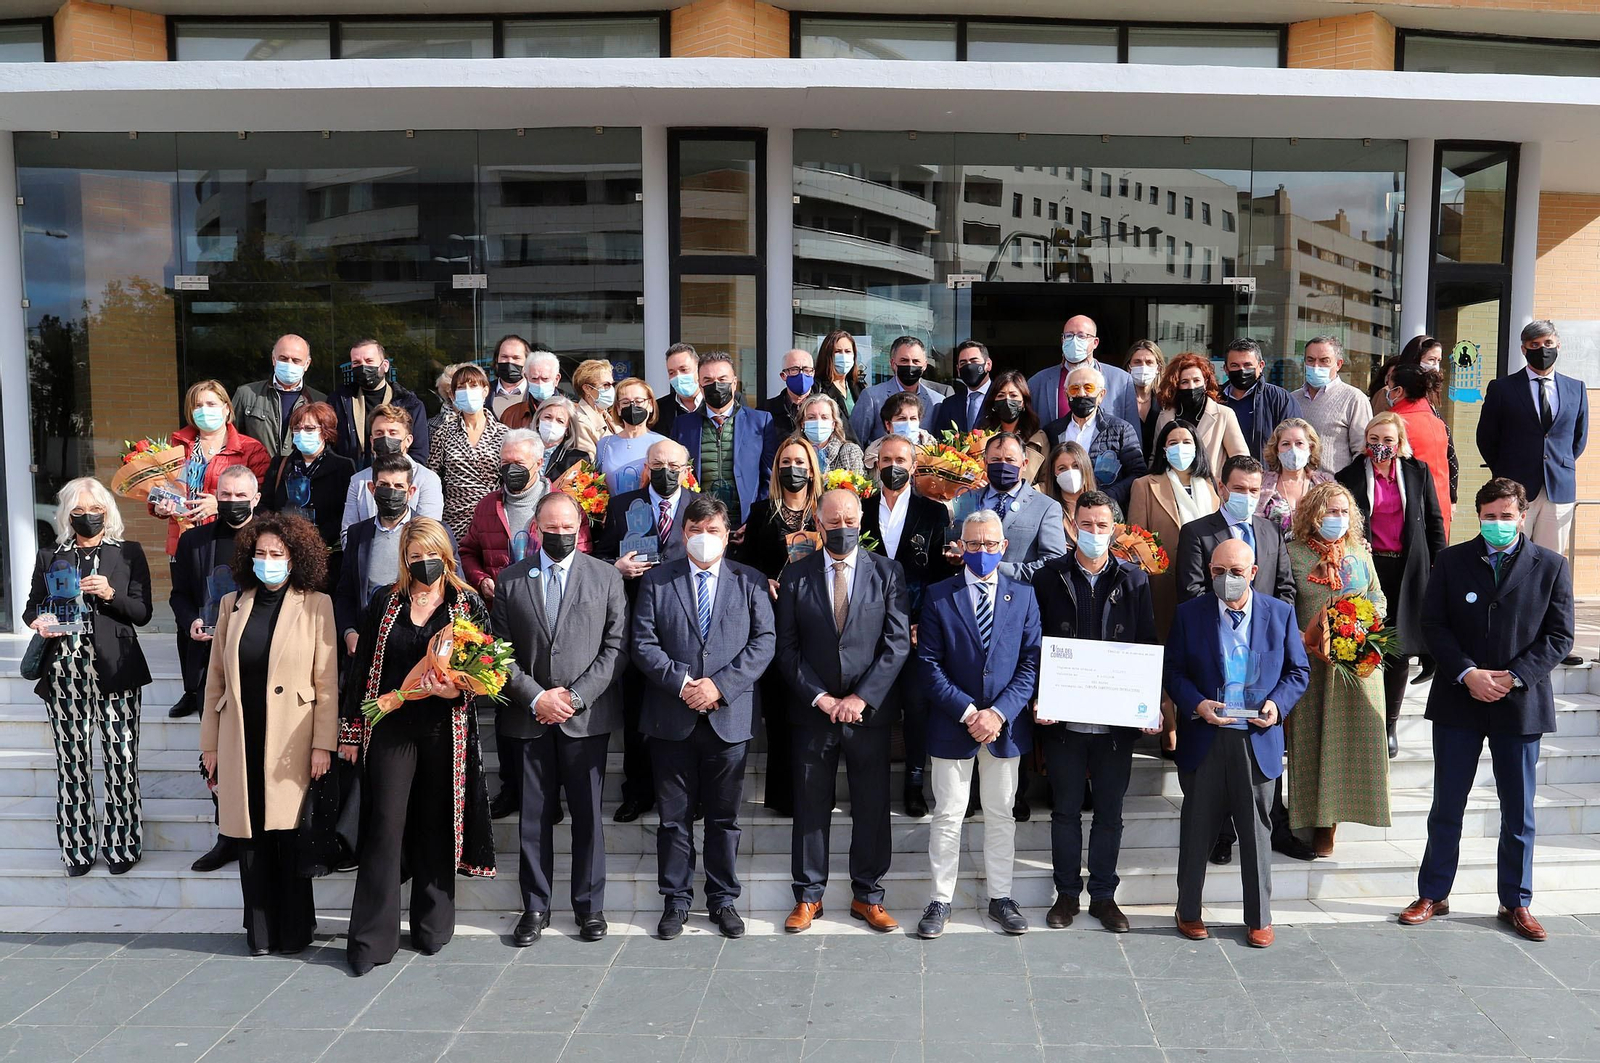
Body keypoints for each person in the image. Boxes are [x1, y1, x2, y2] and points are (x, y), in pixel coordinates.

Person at [1401, 478, 1574, 943]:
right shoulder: (1453, 561)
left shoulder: (1551, 566)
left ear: (1522, 516)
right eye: (1489, 516)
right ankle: (1433, 892)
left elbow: (1559, 636)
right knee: (1447, 804)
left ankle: (1516, 900)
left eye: (1506, 516)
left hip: (1519, 703)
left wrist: (1515, 676)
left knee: (1518, 810)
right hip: (1460, 699)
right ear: (1478, 516)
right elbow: (1432, 622)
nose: (1497, 524)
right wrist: (1466, 672)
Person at [341, 518, 496, 974]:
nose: (423, 563)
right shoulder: (384, 602)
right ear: (404, 560)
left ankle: (432, 925)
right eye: (413, 556)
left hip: (445, 729)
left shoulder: (466, 604)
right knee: (385, 827)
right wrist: (351, 730)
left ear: (445, 555)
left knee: (436, 824)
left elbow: (484, 670)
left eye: (430, 554)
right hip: (390, 727)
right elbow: (362, 667)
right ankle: (371, 940)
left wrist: (454, 689)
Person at [630, 495, 776, 939]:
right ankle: (675, 900)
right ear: (683, 534)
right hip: (670, 718)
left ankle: (722, 898)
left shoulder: (749, 581)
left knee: (723, 818)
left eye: (713, 531)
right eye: (696, 530)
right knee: (673, 818)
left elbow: (763, 642)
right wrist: (683, 683)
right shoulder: (657, 581)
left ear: (728, 535)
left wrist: (720, 686)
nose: (704, 539)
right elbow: (643, 642)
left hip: (728, 718)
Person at [493, 492, 629, 948]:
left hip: (584, 719)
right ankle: (535, 906)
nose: (559, 535)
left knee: (588, 817)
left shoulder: (606, 577)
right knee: (533, 818)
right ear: (536, 529)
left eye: (567, 528)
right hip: (529, 719)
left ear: (580, 527)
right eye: (550, 529)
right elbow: (499, 653)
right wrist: (536, 698)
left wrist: (573, 697)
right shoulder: (511, 580)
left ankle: (590, 908)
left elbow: (615, 649)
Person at [199, 513, 337, 955]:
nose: (268, 561)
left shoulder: (317, 604)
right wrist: (209, 745)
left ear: (295, 558)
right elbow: (215, 680)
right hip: (241, 734)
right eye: (260, 553)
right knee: (250, 835)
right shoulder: (231, 605)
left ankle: (295, 930)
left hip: (292, 739)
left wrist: (323, 744)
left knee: (287, 834)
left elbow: (326, 683)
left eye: (277, 554)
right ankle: (259, 933)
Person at [776, 488, 911, 933]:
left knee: (871, 806)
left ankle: (868, 896)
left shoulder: (888, 572)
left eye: (849, 520)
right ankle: (808, 896)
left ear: (861, 521)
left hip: (869, 714)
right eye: (832, 522)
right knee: (811, 806)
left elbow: (895, 645)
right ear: (818, 524)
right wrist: (822, 698)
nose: (842, 529)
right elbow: (787, 649)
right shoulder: (796, 576)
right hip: (813, 711)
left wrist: (861, 698)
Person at [1166, 538, 1309, 948]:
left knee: (1256, 832)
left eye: (1234, 571)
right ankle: (1188, 910)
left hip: (1256, 739)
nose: (1225, 579)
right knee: (1197, 830)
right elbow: (1173, 670)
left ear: (1253, 573)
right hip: (1206, 736)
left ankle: (1259, 918)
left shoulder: (1279, 614)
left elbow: (1298, 672)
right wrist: (1196, 703)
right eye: (1217, 571)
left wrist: (1276, 706)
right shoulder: (1189, 615)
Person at [1031, 491, 1161, 932]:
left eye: (1102, 525)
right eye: (1086, 525)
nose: (1094, 533)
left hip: (1115, 721)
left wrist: (1148, 701)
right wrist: (1041, 697)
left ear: (1115, 528)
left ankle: (1104, 896)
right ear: (1073, 527)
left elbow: (1144, 643)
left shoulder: (1134, 579)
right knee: (1065, 811)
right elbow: (1037, 644)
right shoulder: (1049, 577)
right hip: (1063, 719)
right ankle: (1066, 894)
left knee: (1110, 812)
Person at [1174, 454, 1308, 865]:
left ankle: (1277, 827)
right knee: (1215, 761)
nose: (1247, 497)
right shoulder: (1198, 532)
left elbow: (1285, 589)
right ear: (1222, 487)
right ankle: (1220, 834)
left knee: (1262, 765)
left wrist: (1264, 630)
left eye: (1254, 490)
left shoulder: (1269, 531)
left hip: (1261, 667)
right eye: (1239, 489)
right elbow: (1193, 590)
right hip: (1215, 660)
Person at [913, 509, 1041, 940]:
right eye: (973, 544)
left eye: (990, 544)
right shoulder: (937, 596)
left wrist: (999, 713)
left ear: (1003, 547)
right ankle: (940, 899)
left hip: (1005, 728)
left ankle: (1002, 897)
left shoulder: (1023, 595)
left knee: (1001, 814)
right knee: (948, 814)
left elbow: (1030, 663)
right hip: (954, 725)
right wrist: (970, 713)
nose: (982, 551)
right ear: (960, 547)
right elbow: (928, 665)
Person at [25, 477, 152, 876]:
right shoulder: (51, 555)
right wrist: (39, 621)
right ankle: (76, 849)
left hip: (116, 669)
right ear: (67, 515)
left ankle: (123, 846)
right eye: (78, 512)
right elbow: (31, 606)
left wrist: (112, 593)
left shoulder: (127, 552)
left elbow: (143, 612)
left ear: (107, 511)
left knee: (121, 759)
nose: (87, 517)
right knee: (72, 762)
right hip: (64, 672)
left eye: (94, 510)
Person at [1284, 482, 1391, 858]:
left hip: (1357, 665)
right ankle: (1309, 822)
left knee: (1352, 745)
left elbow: (1378, 595)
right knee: (1312, 744)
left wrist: (1363, 621)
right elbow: (1281, 603)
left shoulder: (1360, 552)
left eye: (1344, 512)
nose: (1338, 518)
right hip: (1312, 665)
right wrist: (1299, 635)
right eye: (1331, 511)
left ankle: (1335, 822)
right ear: (1314, 513)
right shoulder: (1292, 553)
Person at [595, 438, 696, 823]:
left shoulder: (696, 508)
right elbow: (601, 555)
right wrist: (616, 568)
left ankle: (689, 791)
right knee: (638, 711)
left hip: (687, 624)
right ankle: (637, 792)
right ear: (646, 468)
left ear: (686, 470)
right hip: (638, 624)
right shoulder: (622, 506)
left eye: (673, 464)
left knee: (684, 711)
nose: (666, 471)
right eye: (658, 463)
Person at [1337, 412, 1446, 757]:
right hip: (1368, 569)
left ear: (1399, 443)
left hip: (1408, 569)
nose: (1380, 447)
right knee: (1364, 643)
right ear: (1365, 441)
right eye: (1374, 440)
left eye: (1388, 440)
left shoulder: (1417, 472)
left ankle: (1389, 726)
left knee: (1398, 648)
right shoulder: (1349, 475)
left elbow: (1433, 521)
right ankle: (1360, 722)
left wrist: (1439, 566)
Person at [171, 466, 259, 873]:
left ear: (256, 497)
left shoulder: (273, 540)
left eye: (241, 495)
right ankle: (228, 835)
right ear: (215, 495)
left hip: (262, 664)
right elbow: (180, 596)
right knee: (217, 753)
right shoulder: (193, 541)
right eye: (225, 494)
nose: (233, 502)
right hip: (211, 663)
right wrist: (191, 621)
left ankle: (265, 832)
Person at [860, 432, 952, 817]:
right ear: (875, 465)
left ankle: (914, 781)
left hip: (916, 629)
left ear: (914, 467)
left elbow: (939, 575)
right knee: (873, 707)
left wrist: (923, 624)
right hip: (866, 630)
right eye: (886, 460)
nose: (892, 467)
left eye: (901, 460)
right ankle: (872, 784)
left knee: (916, 707)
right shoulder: (860, 509)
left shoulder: (934, 513)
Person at [733, 436, 822, 816]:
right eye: (786, 461)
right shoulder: (760, 512)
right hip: (773, 621)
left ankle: (813, 792)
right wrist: (762, 580)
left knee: (811, 706)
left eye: (800, 462)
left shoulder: (824, 512)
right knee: (779, 709)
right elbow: (745, 565)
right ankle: (783, 796)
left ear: (812, 468)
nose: (793, 469)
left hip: (816, 623)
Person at [1478, 320, 1589, 558]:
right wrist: (1504, 470)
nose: (1543, 349)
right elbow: (1486, 438)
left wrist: (1559, 463)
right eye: (1535, 344)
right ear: (1524, 349)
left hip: (1558, 488)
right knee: (1510, 554)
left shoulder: (1576, 388)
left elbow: (1578, 439)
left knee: (1550, 558)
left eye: (1548, 343)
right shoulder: (1502, 388)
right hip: (1513, 488)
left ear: (1558, 345)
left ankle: (1544, 597)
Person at [159, 380, 273, 560]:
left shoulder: (250, 448)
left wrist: (221, 506)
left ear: (226, 408)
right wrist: (160, 506)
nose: (204, 410)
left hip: (230, 540)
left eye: (211, 404)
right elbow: (161, 487)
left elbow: (264, 502)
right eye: (198, 405)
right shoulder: (176, 446)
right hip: (183, 541)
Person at [1128, 419, 1218, 639]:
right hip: (1164, 586)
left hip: (1208, 580)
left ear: (1196, 447)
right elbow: (1136, 543)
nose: (1181, 447)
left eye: (1187, 441)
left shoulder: (1209, 484)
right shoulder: (1145, 485)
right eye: (1173, 442)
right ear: (1164, 449)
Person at [671, 351, 776, 524]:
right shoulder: (682, 426)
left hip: (747, 522)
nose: (716, 385)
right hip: (700, 523)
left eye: (722, 379)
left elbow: (770, 478)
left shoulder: (761, 421)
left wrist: (756, 520)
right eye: (708, 381)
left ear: (734, 383)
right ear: (700, 385)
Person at [265, 400, 355, 590]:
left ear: (325, 431)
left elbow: (345, 513)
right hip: (283, 553)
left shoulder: (343, 466)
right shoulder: (280, 465)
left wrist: (311, 540)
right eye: (297, 429)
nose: (302, 433)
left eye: (309, 428)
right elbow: (265, 505)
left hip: (325, 557)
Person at [336, 455, 419, 655]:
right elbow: (345, 592)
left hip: (416, 644)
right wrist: (349, 632)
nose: (391, 492)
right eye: (384, 485)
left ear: (410, 492)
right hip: (368, 642)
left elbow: (454, 588)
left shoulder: (433, 532)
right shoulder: (357, 534)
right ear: (372, 489)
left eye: (399, 486)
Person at [1372, 335, 1460, 512]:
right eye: (1430, 359)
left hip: (1412, 501)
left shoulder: (1403, 416)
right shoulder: (1424, 413)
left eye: (1438, 361)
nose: (1434, 366)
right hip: (1431, 500)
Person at [459, 430, 547, 605]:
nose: (511, 469)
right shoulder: (487, 506)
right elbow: (468, 553)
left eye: (519, 463)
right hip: (500, 607)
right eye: (505, 462)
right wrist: (481, 580)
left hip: (546, 604)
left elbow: (580, 555)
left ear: (538, 464)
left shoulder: (562, 505)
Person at [1042, 364, 1146, 510]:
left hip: (1105, 513)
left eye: (1088, 388)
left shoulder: (1121, 429)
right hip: (1062, 511)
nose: (1082, 394)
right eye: (1074, 389)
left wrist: (1106, 498)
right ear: (1067, 395)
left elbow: (1138, 473)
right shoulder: (1053, 431)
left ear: (1101, 395)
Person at [972, 431, 1067, 584]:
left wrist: (998, 569)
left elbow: (1054, 563)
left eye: (1010, 460)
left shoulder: (1046, 507)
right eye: (995, 459)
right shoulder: (965, 500)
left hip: (1021, 597)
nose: (1003, 465)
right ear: (985, 463)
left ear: (1024, 464)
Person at [339, 403, 444, 542]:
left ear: (408, 440)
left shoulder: (427, 480)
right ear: (371, 441)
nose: (386, 438)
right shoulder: (358, 482)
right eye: (379, 433)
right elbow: (348, 534)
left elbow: (429, 533)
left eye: (393, 433)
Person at [429, 363, 510, 540]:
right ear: (453, 394)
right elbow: (433, 480)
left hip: (492, 517)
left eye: (473, 385)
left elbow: (509, 481)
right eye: (461, 387)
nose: (467, 391)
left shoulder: (504, 434)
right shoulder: (443, 433)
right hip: (454, 520)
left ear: (485, 390)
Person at [331, 339, 430, 468]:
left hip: (395, 478)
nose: (363, 367)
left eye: (369, 361)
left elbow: (419, 452)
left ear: (385, 365)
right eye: (356, 363)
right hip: (350, 480)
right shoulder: (339, 401)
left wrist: (400, 477)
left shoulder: (409, 403)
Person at [1384, 363, 1454, 539]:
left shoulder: (1395, 424)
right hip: (1439, 507)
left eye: (1390, 386)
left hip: (1410, 510)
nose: (1388, 391)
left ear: (1399, 391)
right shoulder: (1438, 423)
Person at [1028, 315, 1138, 426]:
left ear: (1095, 342)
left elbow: (1132, 435)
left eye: (1081, 336)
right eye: (1069, 336)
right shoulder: (1038, 382)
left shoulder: (1121, 380)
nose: (1074, 341)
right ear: (1062, 340)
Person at [230, 334, 325, 458]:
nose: (289, 364)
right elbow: (232, 439)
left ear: (307, 364)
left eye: (296, 360)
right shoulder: (246, 394)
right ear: (274, 359)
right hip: (256, 474)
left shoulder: (320, 401)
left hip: (300, 475)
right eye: (283, 358)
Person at [1153, 353, 1248, 477]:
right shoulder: (1165, 416)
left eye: (1196, 380)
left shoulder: (1224, 415)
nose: (1191, 386)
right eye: (1184, 382)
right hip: (1171, 489)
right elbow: (1156, 457)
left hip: (1210, 489)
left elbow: (1239, 458)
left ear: (1205, 382)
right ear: (1176, 385)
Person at [849, 335, 951, 444]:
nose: (910, 365)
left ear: (924, 365)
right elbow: (855, 440)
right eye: (904, 360)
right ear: (893, 364)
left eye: (916, 361)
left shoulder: (936, 401)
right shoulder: (872, 397)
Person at [1296, 335, 1372, 474]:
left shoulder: (1354, 399)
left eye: (1324, 361)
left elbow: (1362, 452)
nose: (1316, 366)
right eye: (1310, 360)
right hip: (1297, 487)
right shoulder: (1292, 398)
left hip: (1335, 489)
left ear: (1338, 364)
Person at [1217, 338, 1302, 460]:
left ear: (1261, 365)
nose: (1242, 370)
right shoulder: (1215, 399)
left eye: (1248, 365)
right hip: (1223, 476)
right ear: (1226, 369)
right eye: (1235, 365)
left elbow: (1296, 441)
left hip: (1266, 476)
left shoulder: (1279, 399)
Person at [1258, 418, 1334, 536]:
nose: (1293, 449)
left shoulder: (1325, 483)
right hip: (1272, 553)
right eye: (1286, 444)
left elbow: (1342, 517)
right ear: (1276, 450)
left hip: (1315, 553)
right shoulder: (1261, 482)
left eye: (1299, 443)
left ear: (1310, 448)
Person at [972, 369, 1049, 481]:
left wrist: (1022, 494)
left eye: (1013, 395)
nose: (1007, 400)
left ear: (1023, 402)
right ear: (993, 401)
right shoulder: (980, 437)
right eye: (1001, 395)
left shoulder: (1038, 439)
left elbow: (1046, 482)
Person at [594, 378, 667, 492]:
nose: (632, 406)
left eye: (638, 401)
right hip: (613, 508)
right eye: (625, 402)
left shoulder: (663, 444)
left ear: (651, 404)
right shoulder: (604, 445)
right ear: (618, 408)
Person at [930, 339, 994, 435]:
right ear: (958, 370)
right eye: (963, 363)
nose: (969, 367)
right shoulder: (949, 404)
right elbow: (941, 439)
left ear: (988, 364)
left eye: (974, 361)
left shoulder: (1001, 397)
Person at [862, 391, 937, 472]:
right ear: (888, 424)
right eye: (902, 419)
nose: (908, 424)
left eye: (913, 418)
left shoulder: (934, 449)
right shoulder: (873, 453)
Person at [1035, 441, 1101, 529]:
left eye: (1076, 466)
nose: (1070, 472)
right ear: (1053, 473)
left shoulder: (1106, 507)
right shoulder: (1044, 509)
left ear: (1086, 467)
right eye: (1062, 468)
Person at [498, 344, 564, 429]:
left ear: (556, 379)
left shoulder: (573, 413)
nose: (540, 384)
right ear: (526, 377)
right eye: (534, 378)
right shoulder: (511, 415)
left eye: (545, 379)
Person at [796, 393, 864, 475]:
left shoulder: (849, 451)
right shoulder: (793, 451)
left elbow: (858, 485)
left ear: (833, 424)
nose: (818, 422)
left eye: (824, 417)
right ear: (802, 423)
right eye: (811, 417)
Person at [529, 395, 593, 481]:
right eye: (548, 417)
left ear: (567, 429)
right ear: (537, 421)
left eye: (560, 421)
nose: (552, 424)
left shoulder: (577, 459)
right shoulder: (521, 450)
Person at [764, 347, 818, 441]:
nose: (801, 375)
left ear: (813, 373)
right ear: (783, 375)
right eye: (794, 370)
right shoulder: (766, 412)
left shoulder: (827, 408)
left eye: (806, 370)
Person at [570, 358, 619, 456]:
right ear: (587, 389)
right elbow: (589, 464)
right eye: (605, 385)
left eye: (611, 384)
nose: (611, 389)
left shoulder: (607, 415)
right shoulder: (580, 422)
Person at [1127, 340, 1166, 461]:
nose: (1143, 367)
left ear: (1158, 368)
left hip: (1158, 468)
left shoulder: (1166, 401)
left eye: (1149, 362)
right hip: (1127, 468)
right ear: (1129, 367)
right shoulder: (1120, 401)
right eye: (1137, 362)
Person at [654, 343, 704, 437]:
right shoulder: (658, 409)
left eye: (684, 370)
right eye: (671, 372)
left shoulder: (716, 402)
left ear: (698, 368)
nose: (678, 377)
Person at [816, 329, 865, 424]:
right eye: (837, 351)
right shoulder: (817, 387)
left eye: (847, 351)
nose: (843, 356)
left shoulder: (858, 386)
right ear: (827, 355)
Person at [488, 334, 532, 419]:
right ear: (496, 359)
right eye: (504, 357)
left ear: (527, 362)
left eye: (516, 358)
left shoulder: (536, 395)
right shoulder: (484, 393)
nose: (509, 362)